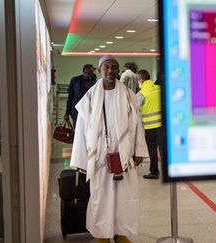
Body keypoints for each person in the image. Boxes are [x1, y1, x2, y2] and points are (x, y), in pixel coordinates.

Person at [70, 55, 148, 243]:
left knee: (125, 198)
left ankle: (121, 233)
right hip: (99, 158)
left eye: (114, 67)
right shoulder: (90, 96)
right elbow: (81, 128)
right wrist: (81, 160)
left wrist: (139, 150)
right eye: (107, 67)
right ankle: (103, 235)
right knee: (101, 197)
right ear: (100, 70)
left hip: (124, 155)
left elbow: (138, 124)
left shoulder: (128, 94)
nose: (111, 71)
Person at [136, 69, 162, 179]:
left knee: (152, 150)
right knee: (163, 149)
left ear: (141, 80)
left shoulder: (142, 93)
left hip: (151, 127)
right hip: (163, 126)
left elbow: (133, 108)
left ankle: (154, 172)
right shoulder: (158, 88)